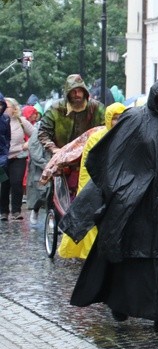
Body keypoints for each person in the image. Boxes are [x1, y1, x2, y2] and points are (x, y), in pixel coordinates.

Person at [62, 71, 158, 332]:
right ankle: (121, 303)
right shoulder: (136, 119)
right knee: (134, 258)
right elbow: (110, 156)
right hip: (139, 204)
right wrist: (125, 187)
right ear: (157, 95)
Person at [57, 102, 126, 259]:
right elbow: (88, 166)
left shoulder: (127, 136)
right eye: (115, 118)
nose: (118, 121)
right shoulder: (96, 138)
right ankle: (91, 255)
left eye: (121, 118)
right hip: (96, 184)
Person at [38, 74, 105, 156]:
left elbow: (107, 129)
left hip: (89, 157)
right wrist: (53, 149)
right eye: (73, 91)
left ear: (84, 92)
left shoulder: (96, 108)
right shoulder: (55, 109)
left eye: (80, 91)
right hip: (62, 158)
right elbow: (43, 132)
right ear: (68, 93)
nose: (77, 94)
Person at [0, 98, 34, 221]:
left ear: (14, 109)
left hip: (18, 156)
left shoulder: (21, 121)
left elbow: (36, 134)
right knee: (4, 184)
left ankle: (16, 211)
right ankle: (3, 212)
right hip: (2, 158)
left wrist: (27, 144)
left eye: (5, 106)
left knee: (16, 182)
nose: (3, 109)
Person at [0, 93, 10, 193]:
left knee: (2, 185)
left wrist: (5, 154)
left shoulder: (6, 118)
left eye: (1, 104)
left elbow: (7, 138)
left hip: (1, 160)